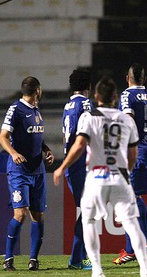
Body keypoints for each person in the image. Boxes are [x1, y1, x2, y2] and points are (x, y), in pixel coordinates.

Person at [53, 77, 147, 277]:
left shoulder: (89, 117)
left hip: (96, 176)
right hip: (119, 176)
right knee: (132, 224)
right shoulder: (127, 119)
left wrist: (61, 167)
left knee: (89, 221)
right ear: (116, 97)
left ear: (96, 96)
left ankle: (97, 270)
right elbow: (133, 154)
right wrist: (126, 172)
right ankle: (145, 270)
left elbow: (79, 146)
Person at [0, 76, 54, 271]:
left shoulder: (36, 110)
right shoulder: (16, 109)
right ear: (37, 90)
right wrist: (13, 153)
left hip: (38, 171)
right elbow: (3, 137)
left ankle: (33, 259)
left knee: (37, 215)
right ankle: (8, 258)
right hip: (19, 171)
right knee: (20, 213)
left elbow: (35, 136)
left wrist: (45, 149)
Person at [113, 64, 147, 265]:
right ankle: (142, 243)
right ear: (145, 78)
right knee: (134, 197)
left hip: (135, 150)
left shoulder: (126, 96)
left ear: (127, 78)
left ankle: (132, 249)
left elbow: (128, 122)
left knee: (128, 199)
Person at [62, 68, 94, 270]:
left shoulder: (68, 105)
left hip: (72, 164)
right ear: (88, 87)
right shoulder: (85, 104)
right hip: (80, 164)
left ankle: (79, 256)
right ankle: (76, 258)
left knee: (88, 209)